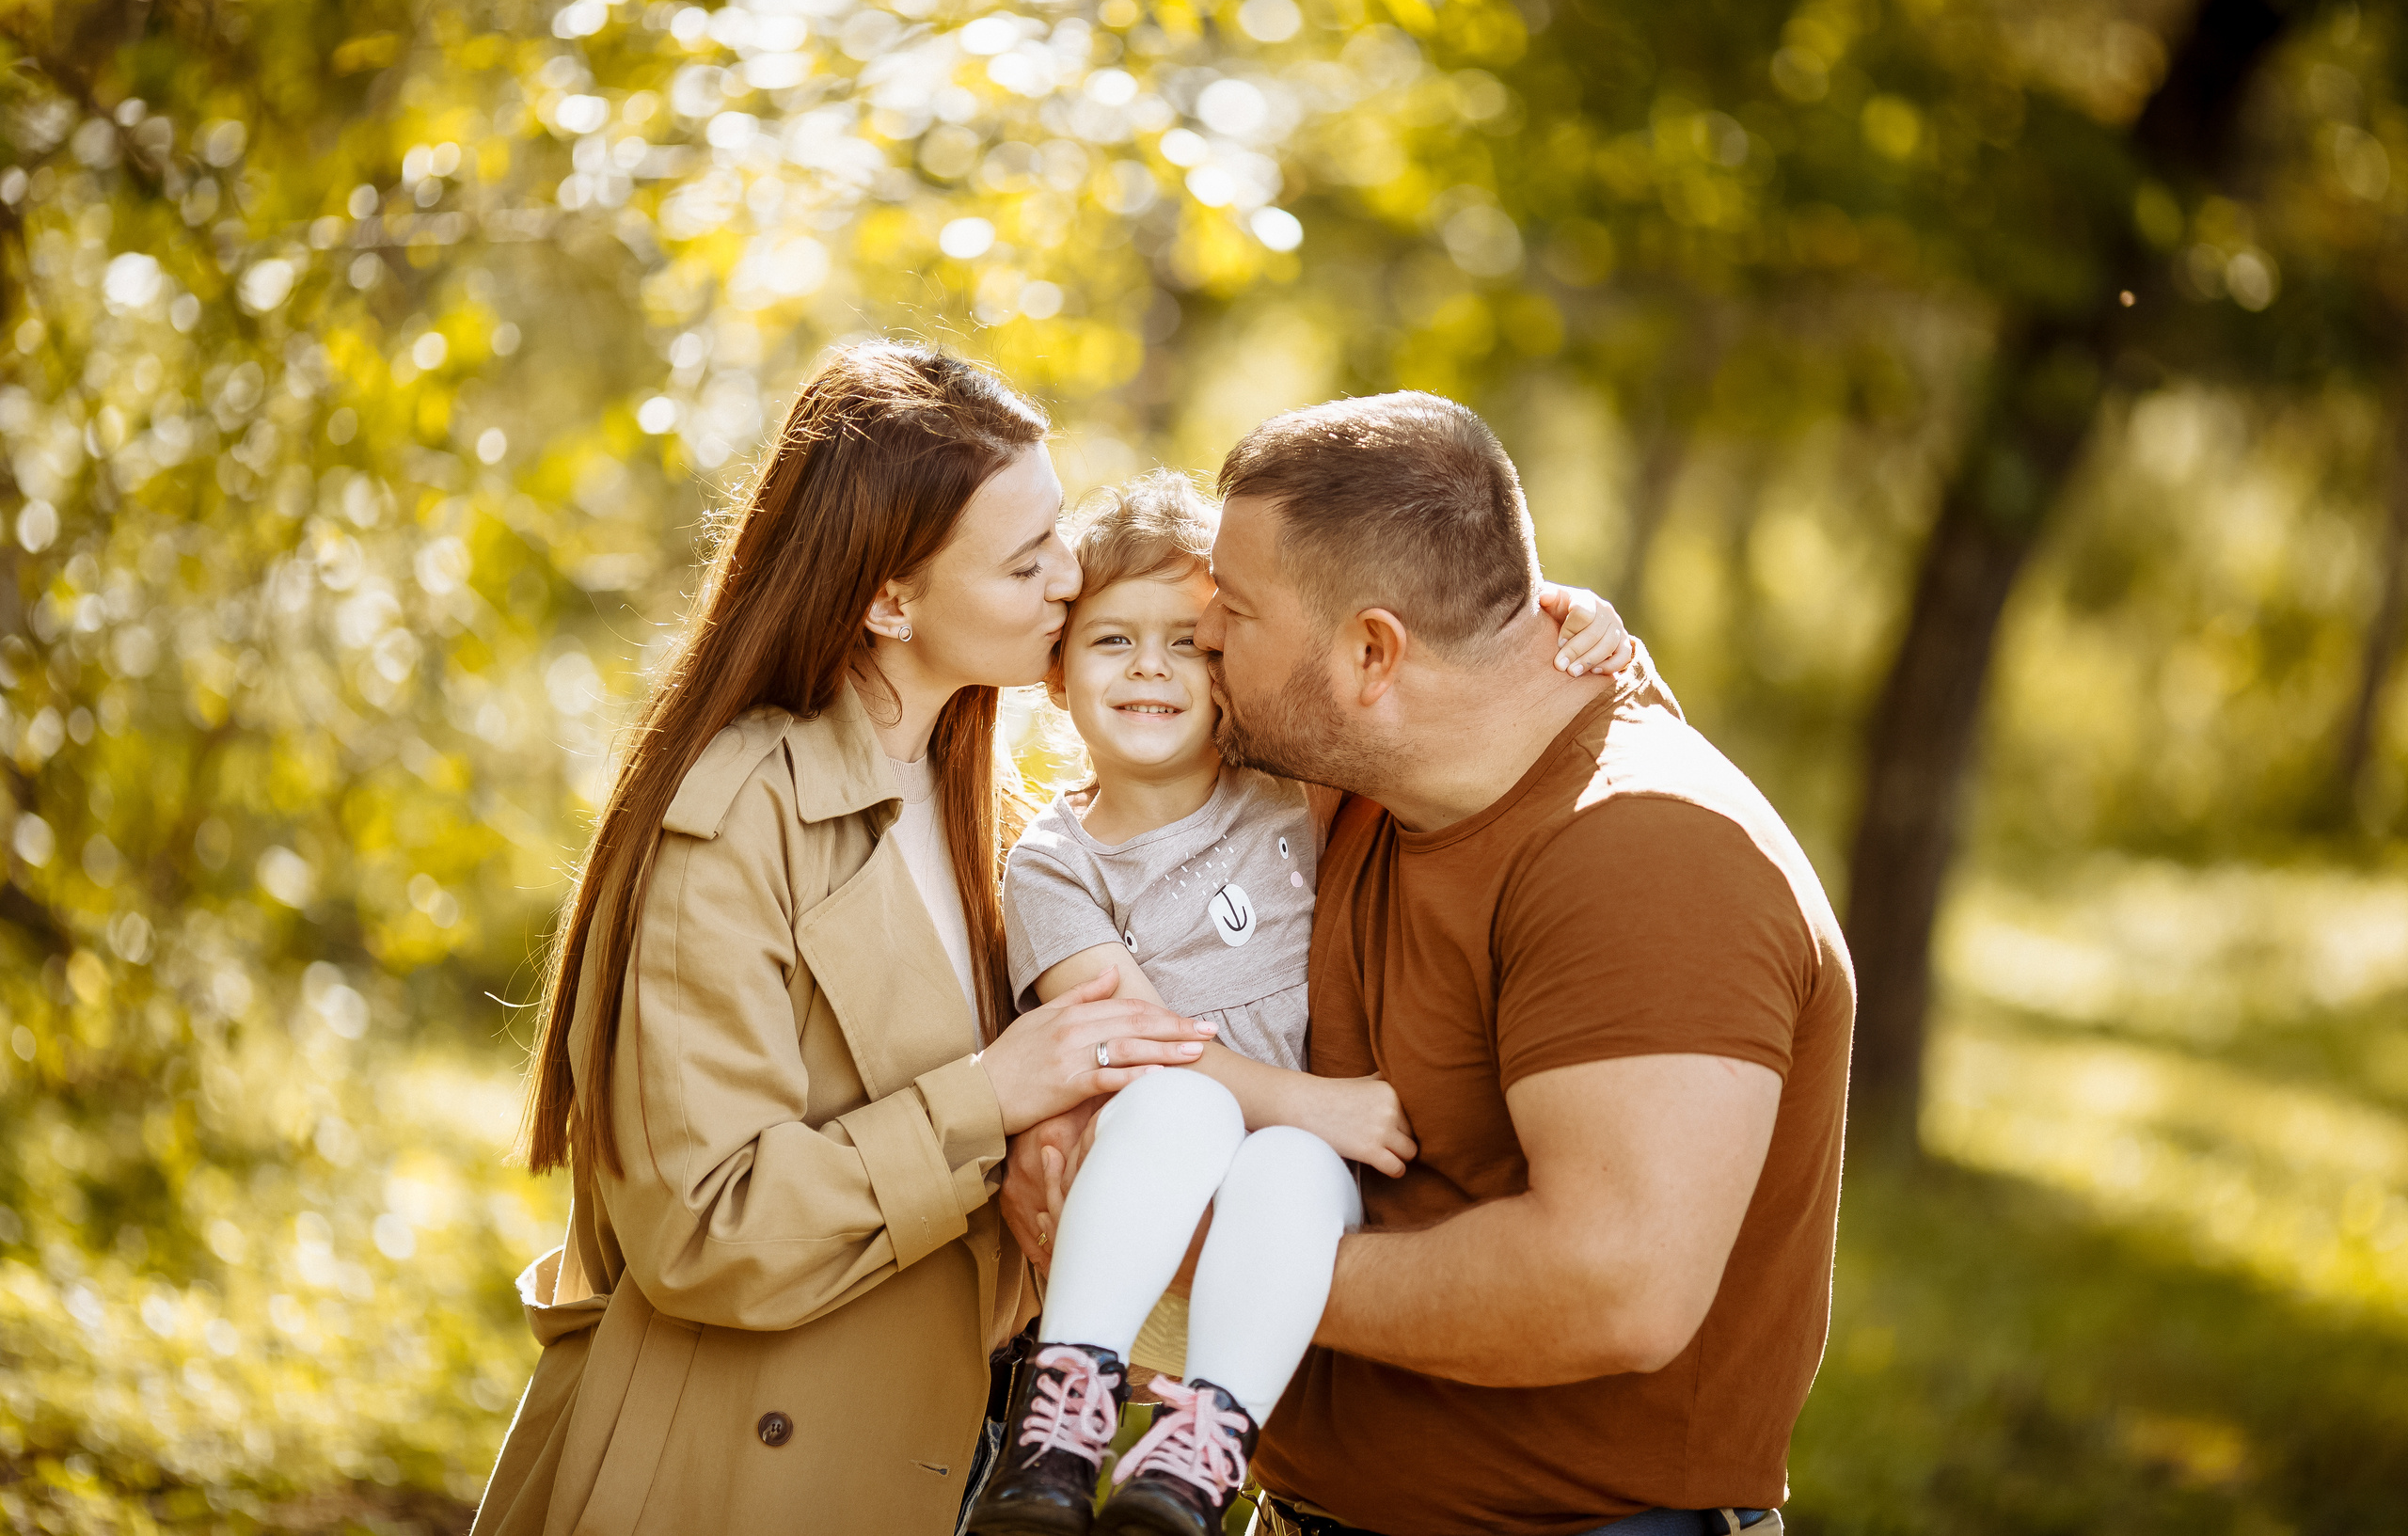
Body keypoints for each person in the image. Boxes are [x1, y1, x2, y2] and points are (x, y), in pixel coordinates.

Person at [1050, 390, 1854, 1536]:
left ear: (1373, 651)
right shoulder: (1340, 790)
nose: (1204, 640)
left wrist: (1168, 1240)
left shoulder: (1649, 858)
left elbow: (1609, 1284)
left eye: (1231, 611)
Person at [470, 343, 1221, 1536]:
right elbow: (707, 1229)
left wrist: (1567, 643)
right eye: (1025, 562)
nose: (1071, 579)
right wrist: (990, 1100)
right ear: (888, 600)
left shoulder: (998, 808)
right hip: (725, 1475)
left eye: (1061, 535)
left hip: (936, 1462)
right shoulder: (732, 818)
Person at [971, 472, 1633, 1536]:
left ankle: (1198, 1453)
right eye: (1112, 643)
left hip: (1279, 1208)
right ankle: (1065, 1415)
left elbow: (1418, 673)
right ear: (1055, 672)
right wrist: (1313, 1102)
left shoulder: (1289, 785)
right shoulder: (1053, 864)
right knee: (1184, 1105)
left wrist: (1572, 619)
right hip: (1147, 1190)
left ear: (1228, 665)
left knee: (1291, 1165)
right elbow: (1135, 1039)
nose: (1151, 669)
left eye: (1187, 642)